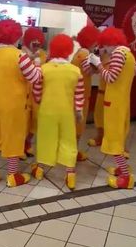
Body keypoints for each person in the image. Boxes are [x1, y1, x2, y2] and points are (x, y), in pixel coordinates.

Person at [0, 19, 42, 188]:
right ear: (16, 37)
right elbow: (35, 78)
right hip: (14, 106)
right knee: (14, 138)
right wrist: (37, 63)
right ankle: (13, 175)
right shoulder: (19, 55)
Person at [32, 34, 85, 191]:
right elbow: (79, 93)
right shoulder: (75, 71)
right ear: (69, 51)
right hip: (67, 112)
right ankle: (70, 174)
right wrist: (79, 110)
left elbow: (36, 91)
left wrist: (40, 101)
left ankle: (40, 169)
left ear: (52, 49)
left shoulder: (44, 69)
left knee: (45, 139)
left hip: (47, 111)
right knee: (68, 140)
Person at [89, 27, 136, 189]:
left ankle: (126, 177)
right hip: (122, 102)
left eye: (103, 46)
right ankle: (121, 168)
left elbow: (111, 77)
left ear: (109, 43)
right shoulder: (128, 54)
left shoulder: (118, 54)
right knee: (119, 135)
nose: (103, 50)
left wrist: (98, 65)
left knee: (114, 138)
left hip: (114, 104)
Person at [71, 25, 100, 161]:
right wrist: (99, 67)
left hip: (77, 93)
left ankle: (73, 152)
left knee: (75, 125)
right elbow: (87, 71)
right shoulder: (84, 54)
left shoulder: (79, 52)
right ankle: (73, 153)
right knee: (77, 126)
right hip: (80, 95)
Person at [22, 27, 47, 157]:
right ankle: (20, 147)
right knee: (23, 121)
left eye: (39, 41)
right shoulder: (21, 53)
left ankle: (28, 144)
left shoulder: (43, 54)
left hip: (38, 92)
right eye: (34, 40)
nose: (36, 43)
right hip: (23, 92)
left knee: (35, 121)